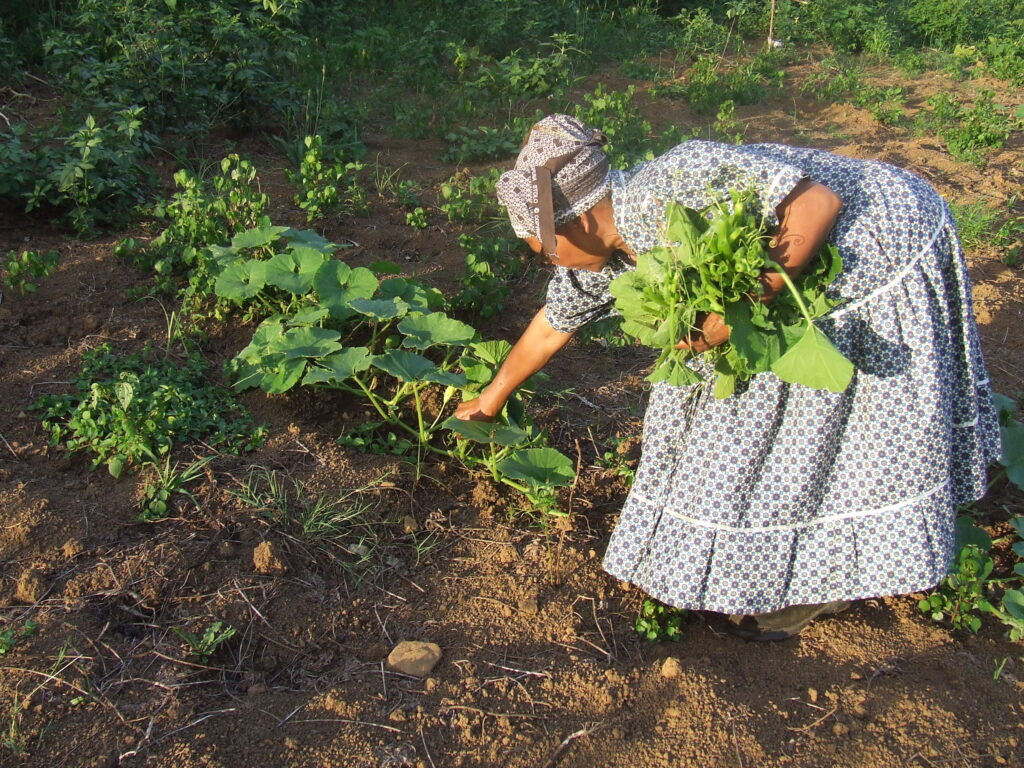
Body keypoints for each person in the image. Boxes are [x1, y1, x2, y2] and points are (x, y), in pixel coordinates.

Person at [454, 114, 1000, 641]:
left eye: (548, 252)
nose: (555, 265)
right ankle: (777, 566)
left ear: (577, 219)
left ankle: (816, 581)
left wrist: (737, 307)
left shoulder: (665, 189)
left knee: (825, 428)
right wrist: (492, 398)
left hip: (876, 241)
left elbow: (817, 202)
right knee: (750, 418)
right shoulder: (608, 261)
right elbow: (552, 324)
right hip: (799, 273)